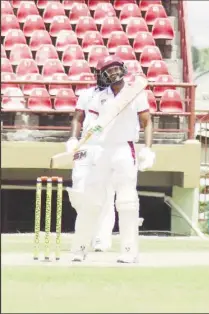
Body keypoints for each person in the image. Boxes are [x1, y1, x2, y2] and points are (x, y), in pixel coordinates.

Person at [69, 56, 155, 263]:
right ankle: (80, 247)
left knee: (126, 200)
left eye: (113, 69)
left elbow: (147, 122)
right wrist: (74, 139)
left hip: (124, 148)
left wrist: (148, 149)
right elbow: (88, 121)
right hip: (100, 149)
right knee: (91, 199)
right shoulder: (99, 96)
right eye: (107, 71)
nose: (111, 74)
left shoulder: (136, 93)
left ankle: (128, 250)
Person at [66, 56, 118, 253]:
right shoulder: (86, 94)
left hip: (107, 147)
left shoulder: (119, 96)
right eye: (105, 71)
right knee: (79, 190)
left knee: (106, 194)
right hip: (85, 147)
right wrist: (73, 139)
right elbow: (78, 118)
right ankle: (85, 233)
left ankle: (101, 239)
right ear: (98, 74)